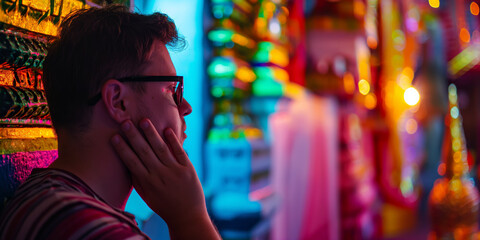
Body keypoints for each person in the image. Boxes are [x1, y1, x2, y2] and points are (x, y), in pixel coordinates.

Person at [0, 4, 220, 240]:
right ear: (118, 101)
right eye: (170, 89)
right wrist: (191, 217)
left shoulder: (48, 203)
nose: (186, 107)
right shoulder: (86, 226)